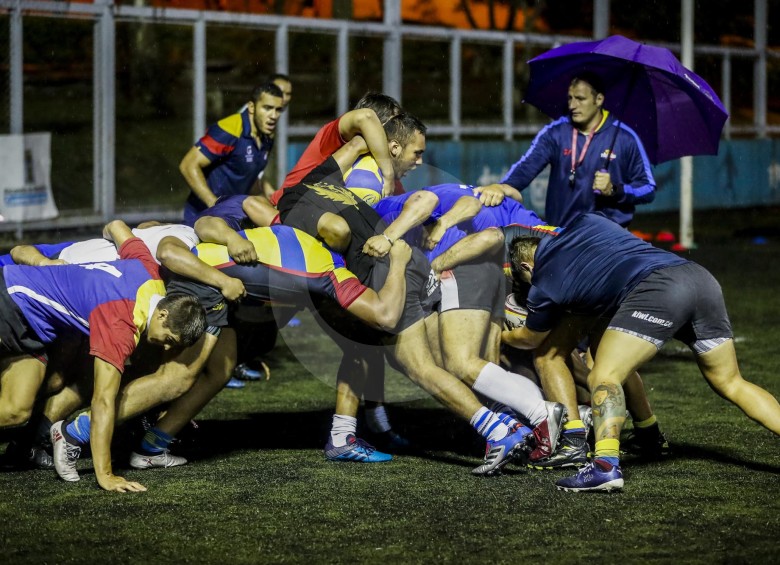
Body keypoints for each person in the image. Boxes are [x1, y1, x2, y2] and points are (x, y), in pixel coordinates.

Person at [503, 212, 780, 491]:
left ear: (527, 266)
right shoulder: (589, 221)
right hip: (700, 279)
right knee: (732, 382)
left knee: (603, 374)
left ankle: (605, 466)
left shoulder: (544, 281)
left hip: (657, 289)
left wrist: (501, 333)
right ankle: (647, 434)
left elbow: (529, 339)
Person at [0, 220, 206, 492]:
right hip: (9, 303)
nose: (166, 347)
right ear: (163, 314)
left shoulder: (150, 273)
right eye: (170, 339)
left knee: (16, 411)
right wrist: (106, 475)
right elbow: (103, 402)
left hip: (32, 328)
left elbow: (117, 225)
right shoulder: (121, 323)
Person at [478, 72, 655, 228]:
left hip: (608, 240)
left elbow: (647, 189)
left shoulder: (625, 137)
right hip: (562, 235)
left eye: (580, 98)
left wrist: (615, 190)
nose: (572, 105)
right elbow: (526, 167)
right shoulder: (556, 132)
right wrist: (501, 187)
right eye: (570, 98)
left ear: (599, 100)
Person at [268, 91, 402, 208]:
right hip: (282, 210)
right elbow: (366, 117)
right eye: (392, 127)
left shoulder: (378, 164)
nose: (397, 134)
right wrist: (388, 175)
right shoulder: (330, 138)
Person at [181, 82, 284, 224]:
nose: (273, 115)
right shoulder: (229, 130)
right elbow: (188, 165)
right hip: (203, 217)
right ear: (252, 107)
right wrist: (214, 204)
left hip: (234, 214)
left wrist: (267, 200)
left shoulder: (267, 136)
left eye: (278, 110)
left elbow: (248, 173)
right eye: (267, 108)